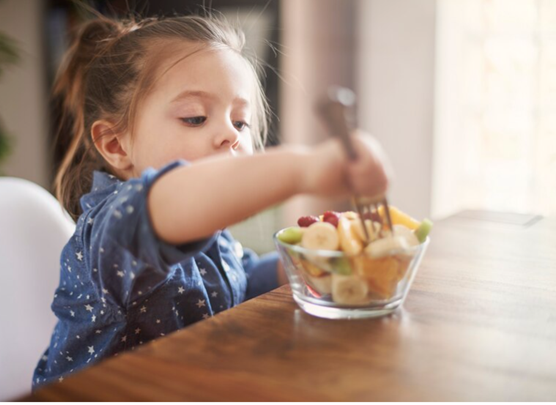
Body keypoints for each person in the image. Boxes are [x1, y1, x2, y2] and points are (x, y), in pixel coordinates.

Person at [32, 12, 390, 389]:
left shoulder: (207, 229)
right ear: (116, 144)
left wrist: (305, 263)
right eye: (195, 118)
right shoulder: (115, 229)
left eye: (240, 122)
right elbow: (174, 198)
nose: (229, 135)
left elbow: (236, 281)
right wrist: (305, 168)